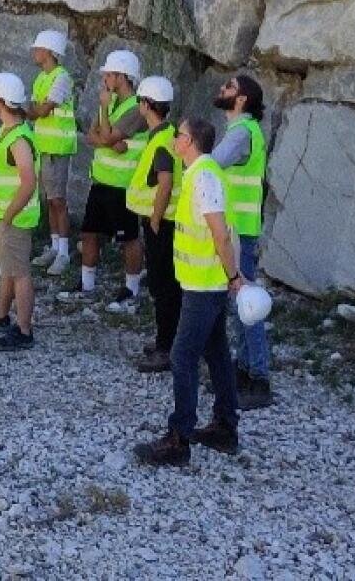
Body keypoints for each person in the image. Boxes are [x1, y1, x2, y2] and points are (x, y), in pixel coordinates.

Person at [135, 116, 244, 466]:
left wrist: (234, 277)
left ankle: (179, 439)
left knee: (182, 357)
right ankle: (225, 427)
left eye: (179, 135)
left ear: (191, 142)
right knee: (217, 355)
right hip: (201, 282)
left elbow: (220, 234)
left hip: (205, 284)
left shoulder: (204, 177)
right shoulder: (200, 173)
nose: (174, 140)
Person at [66, 49, 147, 310]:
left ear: (122, 77)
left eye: (109, 74)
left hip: (122, 186)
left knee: (128, 239)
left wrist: (104, 121)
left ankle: (131, 289)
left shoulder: (135, 108)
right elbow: (93, 136)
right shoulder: (112, 104)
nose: (105, 78)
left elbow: (107, 137)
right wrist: (109, 139)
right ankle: (86, 285)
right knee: (89, 233)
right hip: (100, 181)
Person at [213, 75, 274, 409]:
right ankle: (245, 369)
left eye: (229, 87)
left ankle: (259, 378)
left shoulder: (240, 134)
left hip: (239, 230)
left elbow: (213, 162)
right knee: (238, 301)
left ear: (241, 100)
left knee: (246, 303)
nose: (223, 89)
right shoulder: (242, 130)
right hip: (238, 227)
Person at [0, 72, 39, 352]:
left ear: (1, 101)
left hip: (15, 217)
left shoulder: (17, 138)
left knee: (19, 273)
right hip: (6, 214)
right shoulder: (10, 131)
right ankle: (1, 315)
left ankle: (24, 330)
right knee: (8, 269)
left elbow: (28, 182)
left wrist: (10, 214)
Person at [129, 76, 181, 373]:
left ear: (147, 105)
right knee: (167, 286)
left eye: (140, 101)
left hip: (162, 222)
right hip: (166, 220)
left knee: (163, 287)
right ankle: (168, 341)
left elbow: (164, 183)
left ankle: (165, 348)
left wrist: (155, 218)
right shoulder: (168, 134)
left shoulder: (161, 141)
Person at [26, 31, 77, 276]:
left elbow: (42, 109)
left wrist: (28, 110)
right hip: (44, 146)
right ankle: (55, 246)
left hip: (58, 148)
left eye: (38, 48)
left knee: (58, 200)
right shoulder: (40, 78)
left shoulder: (62, 77)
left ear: (49, 52)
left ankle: (64, 251)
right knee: (49, 200)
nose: (35, 52)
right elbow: (37, 105)